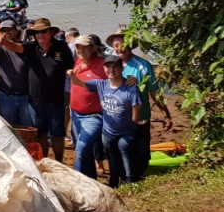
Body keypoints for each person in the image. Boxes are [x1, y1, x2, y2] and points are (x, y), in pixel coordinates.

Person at [0, 18, 74, 161]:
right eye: (37, 32)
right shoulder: (31, 46)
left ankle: (59, 162)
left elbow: (71, 67)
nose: (40, 35)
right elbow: (15, 47)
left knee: (58, 135)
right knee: (41, 134)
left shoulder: (62, 47)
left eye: (43, 32)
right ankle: (44, 161)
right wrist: (4, 42)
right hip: (35, 100)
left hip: (57, 99)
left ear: (51, 32)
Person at [69, 55, 145, 187]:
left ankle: (130, 181)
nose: (111, 70)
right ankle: (113, 181)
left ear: (121, 68)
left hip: (127, 131)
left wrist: (135, 118)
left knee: (124, 148)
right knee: (112, 155)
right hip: (108, 131)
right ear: (104, 68)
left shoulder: (130, 87)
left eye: (115, 67)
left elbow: (137, 105)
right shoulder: (101, 84)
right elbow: (78, 83)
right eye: (108, 66)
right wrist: (72, 75)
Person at [106, 28, 173, 177]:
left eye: (123, 44)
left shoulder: (142, 66)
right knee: (118, 152)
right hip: (117, 120)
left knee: (142, 152)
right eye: (116, 45)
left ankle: (137, 177)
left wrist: (166, 114)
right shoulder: (108, 65)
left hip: (140, 117)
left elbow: (154, 92)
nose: (120, 48)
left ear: (131, 44)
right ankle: (124, 179)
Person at [69, 35, 108, 179]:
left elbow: (117, 77)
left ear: (93, 48)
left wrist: (130, 79)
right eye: (78, 46)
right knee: (85, 151)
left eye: (85, 47)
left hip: (93, 116)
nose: (81, 50)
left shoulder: (102, 64)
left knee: (82, 147)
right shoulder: (79, 61)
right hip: (75, 114)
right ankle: (91, 179)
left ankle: (77, 178)